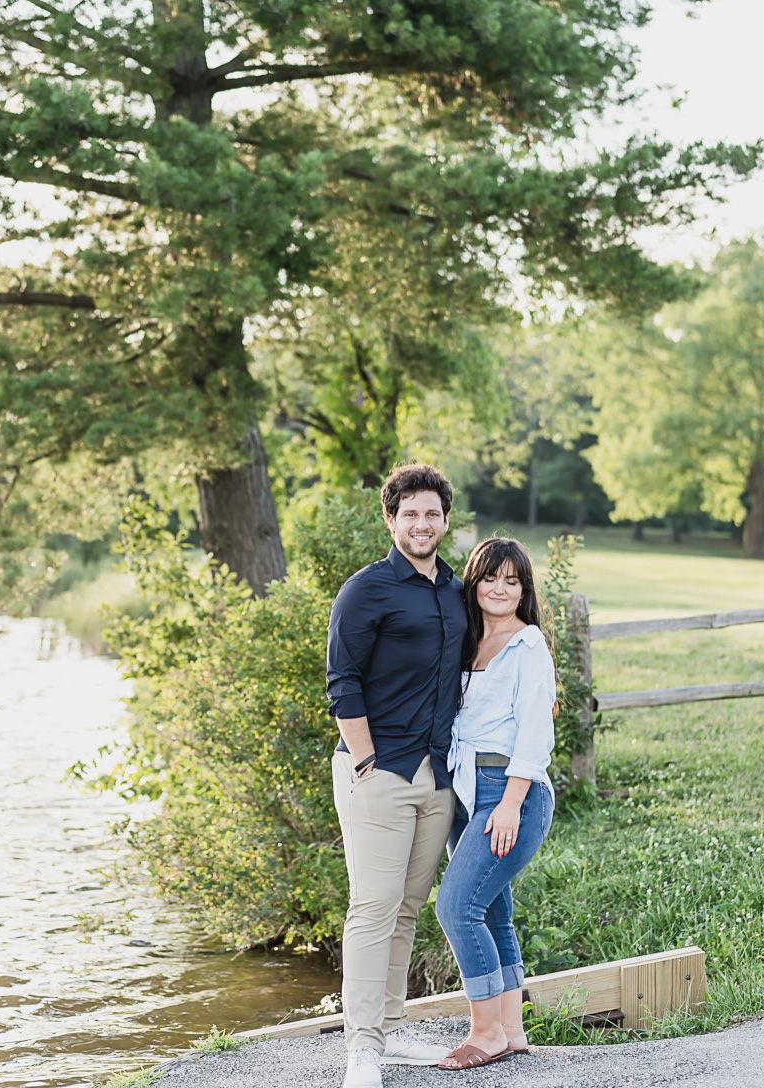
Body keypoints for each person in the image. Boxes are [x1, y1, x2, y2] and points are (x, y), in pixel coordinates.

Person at [326, 464, 467, 1088]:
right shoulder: (367, 590)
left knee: (408, 907)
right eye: (409, 513)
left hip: (437, 775)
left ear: (444, 520)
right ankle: (362, 1049)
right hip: (379, 771)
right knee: (373, 907)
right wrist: (363, 761)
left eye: (432, 513)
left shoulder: (454, 591)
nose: (421, 523)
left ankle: (390, 1023)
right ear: (391, 519)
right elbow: (342, 680)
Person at [434, 537, 557, 1070]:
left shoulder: (527, 645)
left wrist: (510, 803)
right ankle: (510, 1029)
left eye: (513, 580)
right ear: (474, 582)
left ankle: (482, 1034)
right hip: (466, 791)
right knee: (494, 913)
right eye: (491, 578)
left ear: (524, 589)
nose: (501, 589)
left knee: (456, 908)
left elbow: (535, 731)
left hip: (508, 791)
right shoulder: (468, 642)